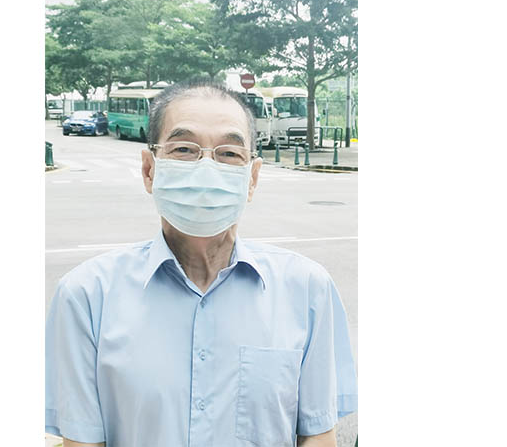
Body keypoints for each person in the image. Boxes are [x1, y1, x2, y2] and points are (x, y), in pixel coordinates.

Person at [46, 79, 357, 447]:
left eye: (229, 153)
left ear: (252, 178)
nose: (206, 169)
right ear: (149, 170)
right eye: (184, 149)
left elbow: (317, 436)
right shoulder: (86, 297)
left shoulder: (307, 290)